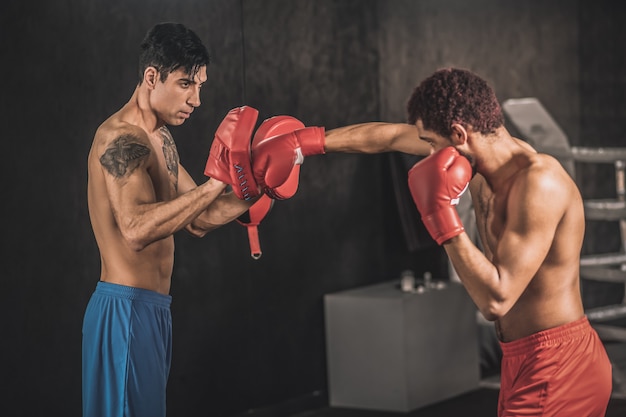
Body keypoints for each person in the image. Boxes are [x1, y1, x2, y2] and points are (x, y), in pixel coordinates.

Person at [82, 22, 299, 417]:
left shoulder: (161, 138)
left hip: (153, 310)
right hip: (124, 311)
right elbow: (135, 229)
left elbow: (200, 218)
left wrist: (261, 184)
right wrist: (218, 182)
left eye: (200, 86)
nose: (197, 100)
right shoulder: (120, 138)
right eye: (186, 84)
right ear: (152, 77)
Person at [404, 68, 612, 416]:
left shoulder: (539, 183)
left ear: (458, 134)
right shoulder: (476, 162)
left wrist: (442, 217)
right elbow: (384, 137)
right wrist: (310, 143)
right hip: (522, 361)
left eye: (430, 145)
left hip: (558, 366)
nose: (428, 154)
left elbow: (495, 301)